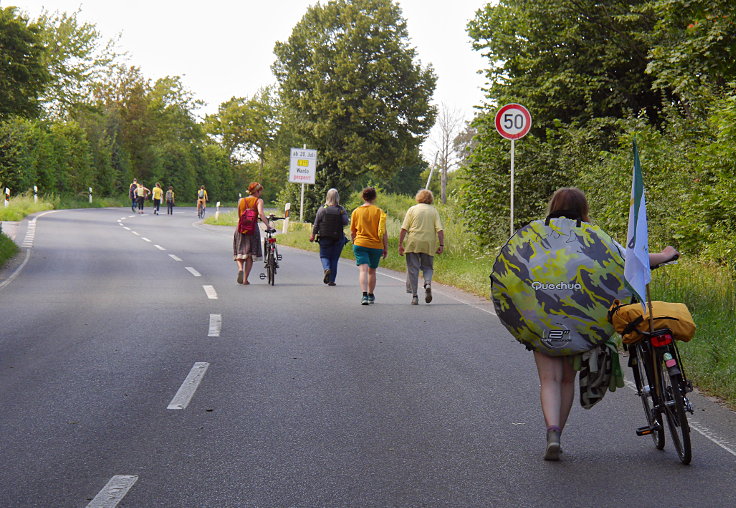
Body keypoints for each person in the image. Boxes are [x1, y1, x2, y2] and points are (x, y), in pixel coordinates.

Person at [533, 187, 678, 461]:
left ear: (553, 205)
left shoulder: (534, 237)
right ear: (584, 209)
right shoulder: (595, 238)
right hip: (581, 319)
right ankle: (558, 433)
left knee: (549, 379)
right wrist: (667, 254)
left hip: (542, 317)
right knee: (566, 379)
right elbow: (631, 261)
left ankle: (553, 432)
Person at [398, 189, 444, 305]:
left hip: (413, 242)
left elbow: (404, 229)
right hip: (429, 243)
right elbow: (439, 230)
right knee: (428, 267)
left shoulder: (412, 209)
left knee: (413, 270)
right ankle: (427, 283)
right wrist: (441, 245)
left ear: (418, 197)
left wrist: (400, 244)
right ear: (430, 199)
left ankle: (415, 296)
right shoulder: (433, 211)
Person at [350, 187, 388, 305]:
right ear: (374, 197)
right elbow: (383, 232)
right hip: (376, 245)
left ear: (363, 197)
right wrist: (385, 247)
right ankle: (371, 295)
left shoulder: (356, 211)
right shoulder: (379, 212)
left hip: (360, 243)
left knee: (363, 270)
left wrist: (354, 242)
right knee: (372, 271)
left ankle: (364, 295)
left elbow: (352, 232)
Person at [233, 182, 273, 285]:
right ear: (257, 191)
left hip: (240, 228)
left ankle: (240, 268)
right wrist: (267, 225)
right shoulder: (259, 201)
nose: (261, 193)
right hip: (252, 229)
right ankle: (245, 279)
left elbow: (239, 215)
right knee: (250, 255)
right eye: (260, 191)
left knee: (240, 251)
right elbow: (260, 213)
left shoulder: (241, 200)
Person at [310, 188, 349, 286]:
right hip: (338, 237)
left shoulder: (322, 209)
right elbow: (345, 222)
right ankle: (332, 280)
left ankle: (326, 268)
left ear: (327, 197)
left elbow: (316, 224)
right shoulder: (341, 209)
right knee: (334, 259)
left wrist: (313, 235)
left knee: (324, 256)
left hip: (324, 237)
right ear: (337, 197)